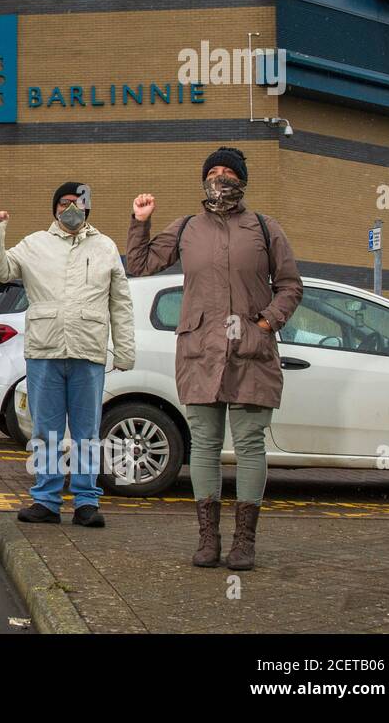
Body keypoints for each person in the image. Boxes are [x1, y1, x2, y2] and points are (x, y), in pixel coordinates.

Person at [126, 147, 302, 570]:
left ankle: (244, 542)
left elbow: (290, 286)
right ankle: (208, 540)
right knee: (203, 445)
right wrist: (141, 221)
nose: (220, 178)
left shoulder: (264, 227)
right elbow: (139, 264)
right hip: (201, 350)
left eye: (228, 173)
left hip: (250, 352)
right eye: (213, 172)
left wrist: (267, 323)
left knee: (249, 445)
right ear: (203, 179)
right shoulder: (187, 227)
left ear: (242, 181)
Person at [0, 182, 135, 527]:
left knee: (87, 432)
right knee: (45, 431)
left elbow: (120, 303)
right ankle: (46, 500)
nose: (71, 208)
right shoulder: (35, 244)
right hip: (44, 351)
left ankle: (86, 502)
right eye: (65, 203)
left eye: (78, 203)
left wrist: (124, 351)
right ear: (54, 208)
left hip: (88, 350)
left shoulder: (105, 247)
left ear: (88, 208)